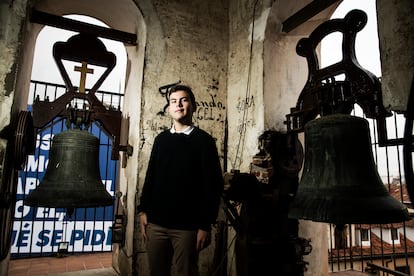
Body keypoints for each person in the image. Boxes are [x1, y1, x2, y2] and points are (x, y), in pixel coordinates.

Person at [137, 84, 224, 276]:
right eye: (173, 101)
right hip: (156, 225)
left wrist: (205, 225)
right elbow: (151, 175)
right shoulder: (161, 140)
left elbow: (212, 186)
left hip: (187, 228)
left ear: (193, 106)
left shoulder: (204, 141)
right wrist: (143, 209)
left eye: (184, 100)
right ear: (169, 109)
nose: (179, 105)